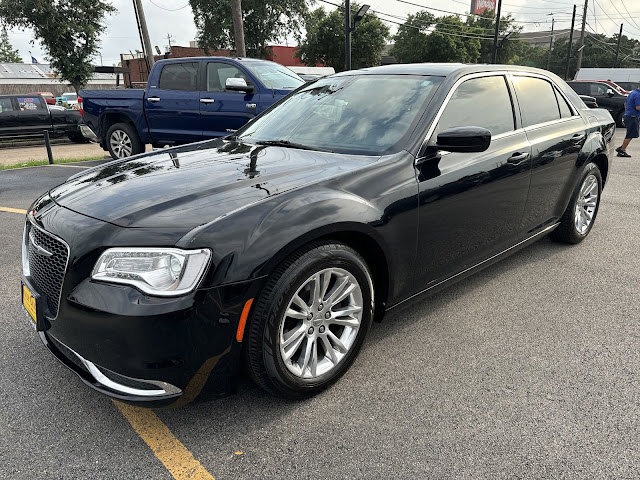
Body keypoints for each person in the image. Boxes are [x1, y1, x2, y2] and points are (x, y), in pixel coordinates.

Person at [616, 82, 640, 157]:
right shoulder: (638, 95)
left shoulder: (632, 93)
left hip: (628, 115)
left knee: (632, 134)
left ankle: (622, 147)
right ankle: (622, 150)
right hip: (632, 116)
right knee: (630, 134)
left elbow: (625, 104)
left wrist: (627, 111)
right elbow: (638, 107)